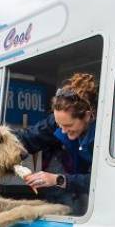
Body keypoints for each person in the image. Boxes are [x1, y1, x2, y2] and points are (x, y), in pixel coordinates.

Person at [14, 72, 98, 214]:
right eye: (59, 125)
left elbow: (101, 180)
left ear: (88, 116)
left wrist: (58, 179)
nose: (63, 131)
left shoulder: (104, 132)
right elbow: (29, 138)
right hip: (70, 191)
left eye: (69, 126)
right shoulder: (59, 121)